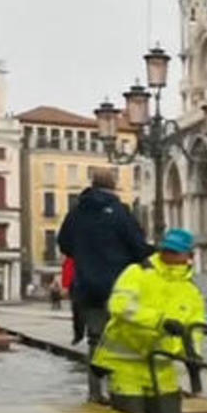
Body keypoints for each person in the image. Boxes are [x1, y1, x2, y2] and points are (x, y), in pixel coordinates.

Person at [91, 228, 205, 413]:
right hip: (126, 364)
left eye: (176, 252)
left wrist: (193, 355)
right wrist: (159, 321)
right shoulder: (137, 273)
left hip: (162, 366)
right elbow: (119, 305)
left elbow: (194, 328)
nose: (170, 255)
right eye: (167, 250)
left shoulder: (190, 290)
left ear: (187, 255)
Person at [57, 169, 153, 401]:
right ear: (114, 185)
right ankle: (118, 389)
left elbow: (64, 243)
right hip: (118, 286)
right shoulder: (120, 212)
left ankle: (94, 392)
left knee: (95, 339)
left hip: (87, 286)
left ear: (92, 184)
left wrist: (84, 255)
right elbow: (137, 245)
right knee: (119, 338)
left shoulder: (77, 212)